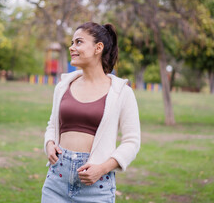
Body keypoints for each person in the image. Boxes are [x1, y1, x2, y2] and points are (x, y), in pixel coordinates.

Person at [41, 22, 141, 203]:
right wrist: (49, 144)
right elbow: (52, 125)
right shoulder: (63, 86)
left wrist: (101, 168)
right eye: (72, 42)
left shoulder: (121, 92)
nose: (72, 47)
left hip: (96, 186)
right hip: (56, 181)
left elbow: (132, 142)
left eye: (78, 42)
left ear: (98, 48)